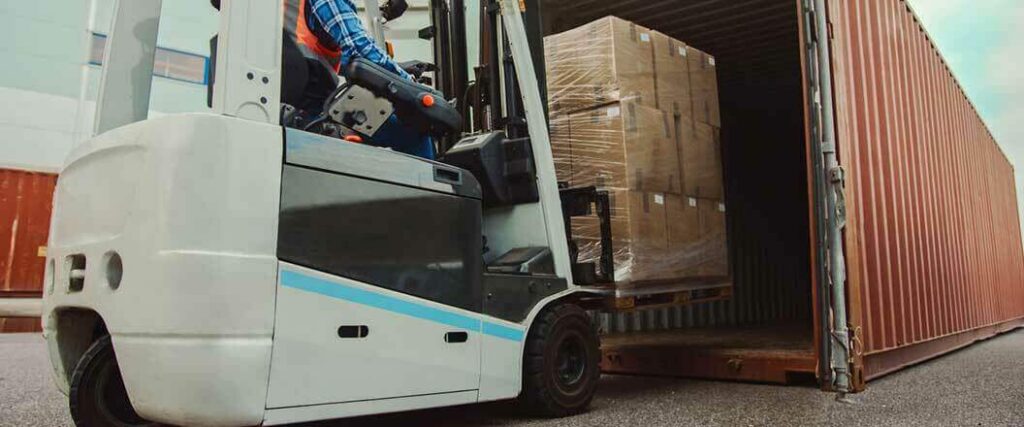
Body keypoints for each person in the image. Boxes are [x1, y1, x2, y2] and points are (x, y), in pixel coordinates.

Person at [288, 0, 436, 159]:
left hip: (301, 104)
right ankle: (435, 184)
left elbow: (344, 59)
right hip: (315, 112)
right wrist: (410, 85)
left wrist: (394, 68)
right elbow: (358, 47)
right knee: (413, 134)